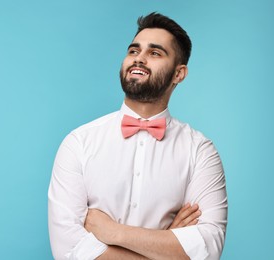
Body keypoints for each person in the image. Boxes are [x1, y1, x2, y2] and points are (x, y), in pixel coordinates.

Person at [48, 12, 227, 260]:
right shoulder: (79, 143)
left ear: (179, 73)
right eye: (134, 51)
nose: (139, 59)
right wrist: (166, 242)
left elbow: (207, 248)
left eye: (155, 53)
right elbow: (68, 251)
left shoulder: (200, 151)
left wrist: (114, 232)